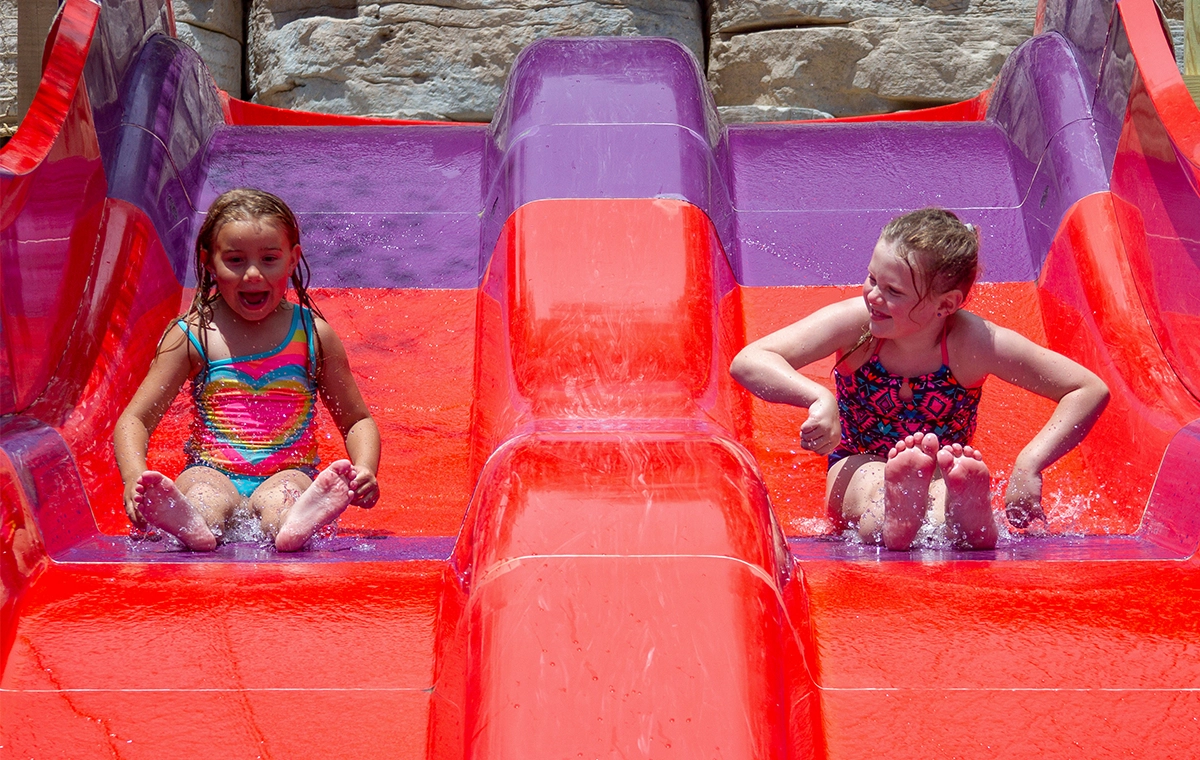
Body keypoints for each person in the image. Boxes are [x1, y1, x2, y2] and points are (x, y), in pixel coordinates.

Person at [730, 208, 1109, 550]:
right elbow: (749, 361)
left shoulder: (973, 342)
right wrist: (818, 397)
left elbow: (1087, 389)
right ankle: (899, 512)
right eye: (871, 278)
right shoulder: (857, 325)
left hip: (942, 469)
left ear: (946, 305)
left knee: (947, 503)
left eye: (893, 291)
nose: (873, 296)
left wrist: (1029, 464)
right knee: (872, 488)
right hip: (859, 460)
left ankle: (963, 515)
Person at [115, 188, 381, 552]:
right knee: (204, 494)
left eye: (269, 258)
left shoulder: (313, 336)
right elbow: (136, 419)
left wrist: (365, 468)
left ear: (292, 260)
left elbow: (355, 420)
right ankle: (190, 521)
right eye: (235, 260)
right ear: (209, 262)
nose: (253, 274)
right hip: (213, 467)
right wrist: (133, 478)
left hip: (288, 470)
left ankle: (293, 523)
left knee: (283, 500)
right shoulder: (194, 335)